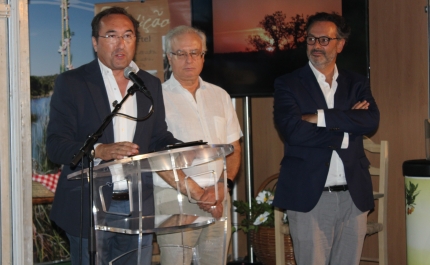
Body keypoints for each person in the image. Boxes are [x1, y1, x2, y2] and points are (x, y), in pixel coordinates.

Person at [46, 7, 180, 265]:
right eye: (111, 36)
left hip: (137, 203)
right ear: (95, 43)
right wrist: (98, 150)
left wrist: (181, 147)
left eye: (128, 36)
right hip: (89, 204)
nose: (121, 43)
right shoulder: (72, 82)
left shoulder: (148, 85)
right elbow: (55, 146)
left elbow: (157, 137)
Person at [273, 12, 380, 265]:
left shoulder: (356, 82)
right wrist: (346, 128)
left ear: (340, 44)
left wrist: (319, 117)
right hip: (310, 195)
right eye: (311, 39)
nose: (316, 46)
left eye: (324, 40)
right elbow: (293, 131)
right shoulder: (288, 84)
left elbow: (370, 121)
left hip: (353, 195)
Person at [153, 25, 242, 265]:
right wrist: (198, 192)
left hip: (219, 196)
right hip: (174, 198)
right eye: (180, 53)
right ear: (168, 57)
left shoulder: (220, 95)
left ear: (203, 55)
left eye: (195, 52)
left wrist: (225, 186)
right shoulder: (155, 98)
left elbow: (234, 148)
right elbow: (155, 154)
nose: (189, 59)